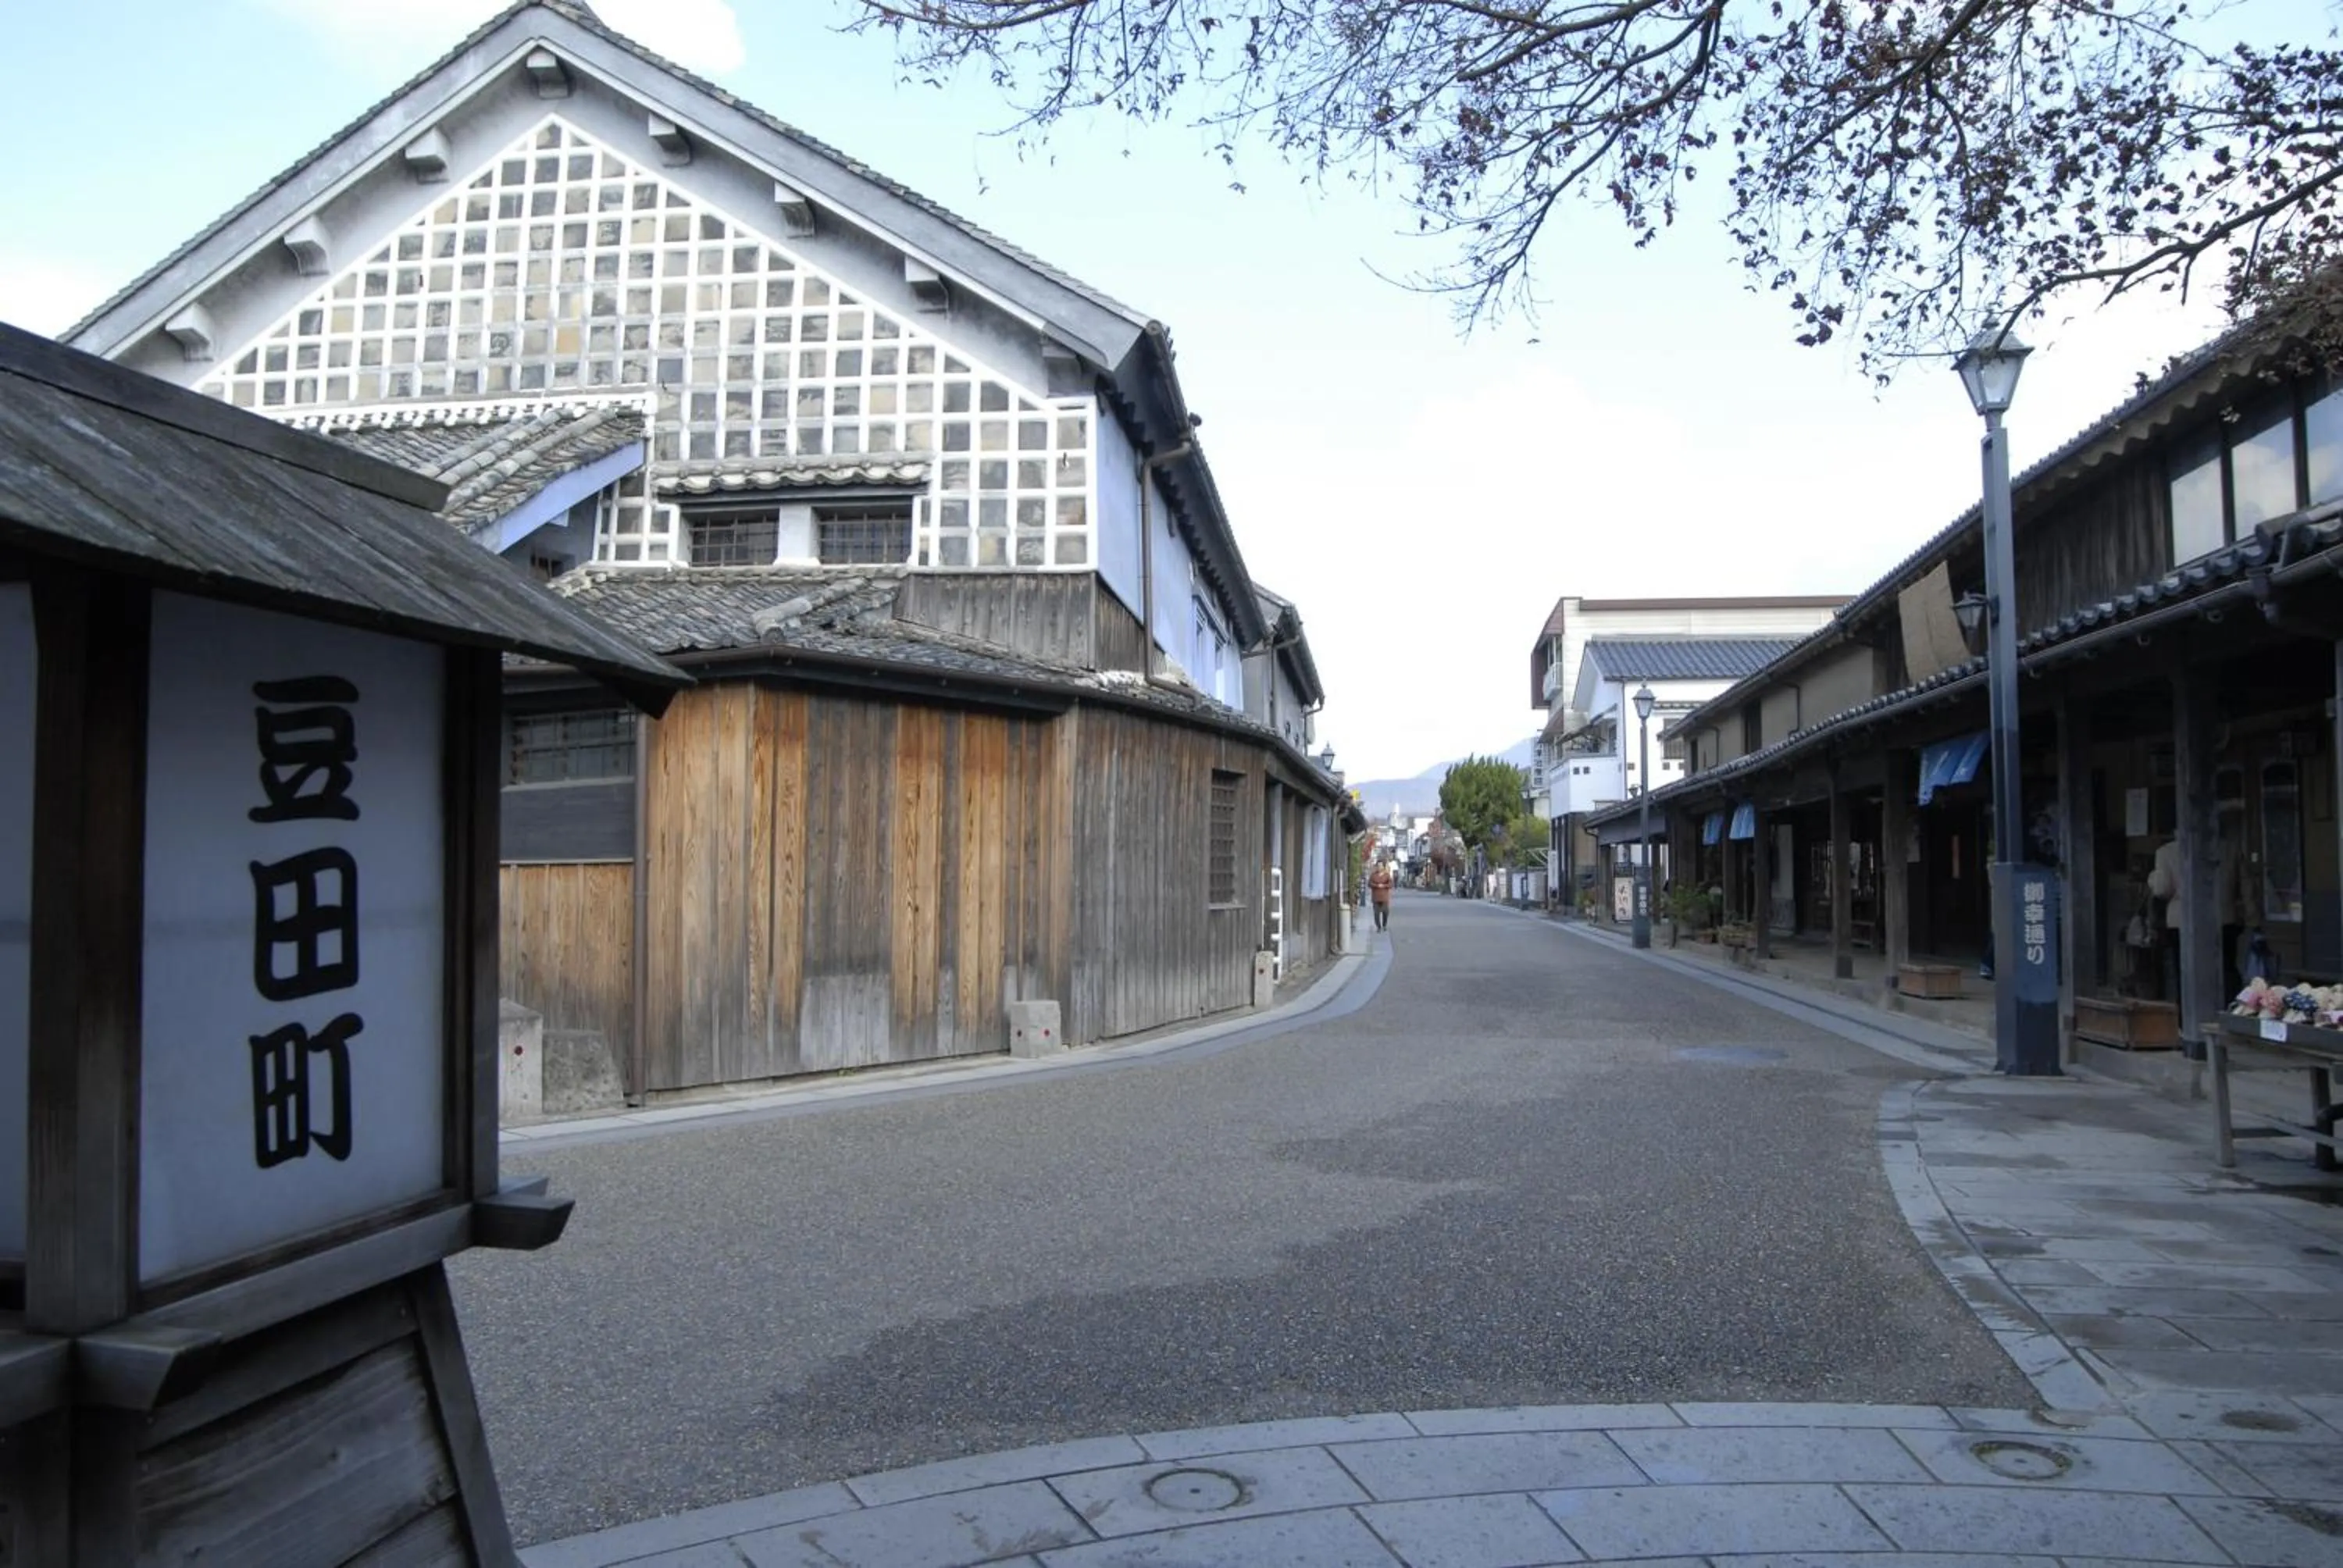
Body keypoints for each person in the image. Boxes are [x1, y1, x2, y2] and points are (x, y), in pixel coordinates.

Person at [1368, 861, 1394, 932]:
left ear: (1383, 867)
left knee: (1385, 912)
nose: (1379, 867)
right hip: (1376, 898)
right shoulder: (1373, 875)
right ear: (1376, 866)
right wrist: (1377, 886)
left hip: (1384, 898)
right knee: (1376, 913)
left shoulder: (1387, 875)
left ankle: (1384, 925)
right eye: (1378, 865)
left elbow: (1391, 884)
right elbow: (1370, 884)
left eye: (1381, 866)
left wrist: (1384, 886)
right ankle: (1378, 927)